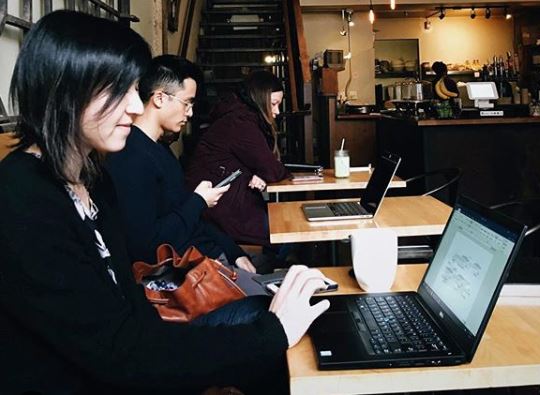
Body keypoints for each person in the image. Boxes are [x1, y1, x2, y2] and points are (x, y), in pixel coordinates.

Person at [0, 10, 329, 395]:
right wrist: (270, 333)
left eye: (134, 91)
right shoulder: (22, 200)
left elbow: (133, 318)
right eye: (118, 91)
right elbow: (117, 352)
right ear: (65, 90)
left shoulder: (94, 178)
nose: (136, 108)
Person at [104, 55, 258, 277]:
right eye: (187, 103)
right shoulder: (130, 156)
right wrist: (198, 202)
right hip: (187, 276)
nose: (191, 113)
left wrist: (234, 252)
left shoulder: (161, 149)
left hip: (208, 260)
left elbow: (190, 219)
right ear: (159, 98)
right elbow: (146, 246)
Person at [184, 71, 291, 254]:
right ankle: (258, 276)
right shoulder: (240, 123)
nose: (277, 112)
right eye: (273, 104)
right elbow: (272, 168)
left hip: (221, 202)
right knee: (288, 234)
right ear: (259, 100)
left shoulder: (237, 116)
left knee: (287, 228)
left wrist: (260, 172)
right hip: (220, 208)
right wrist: (264, 171)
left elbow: (264, 165)